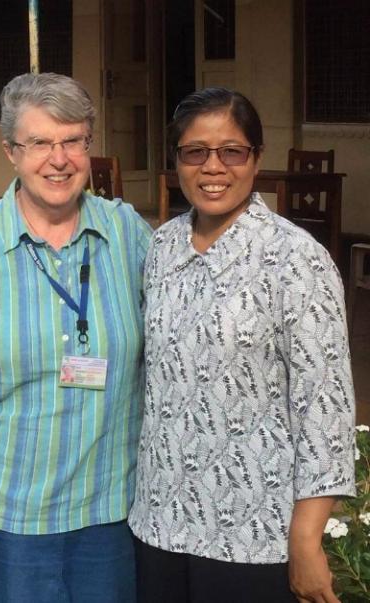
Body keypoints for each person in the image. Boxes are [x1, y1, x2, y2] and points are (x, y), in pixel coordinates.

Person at [0, 72, 152, 603]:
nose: (58, 159)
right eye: (39, 142)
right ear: (11, 153)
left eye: (73, 141)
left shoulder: (129, 234)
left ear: (89, 146)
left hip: (107, 514)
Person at [128, 87, 355, 603]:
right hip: (159, 522)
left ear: (256, 158)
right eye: (195, 152)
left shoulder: (297, 260)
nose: (214, 167)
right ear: (176, 160)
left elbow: (326, 409)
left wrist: (307, 538)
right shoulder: (161, 248)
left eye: (232, 151)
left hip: (252, 537)